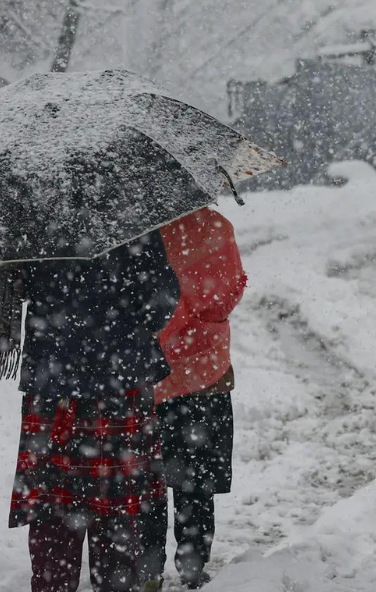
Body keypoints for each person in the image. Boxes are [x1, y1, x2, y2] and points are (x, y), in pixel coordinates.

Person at [0, 232, 179, 592]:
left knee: (54, 508)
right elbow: (161, 301)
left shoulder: (34, 219)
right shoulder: (130, 220)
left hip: (53, 385)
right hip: (119, 385)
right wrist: (118, 321)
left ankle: (54, 583)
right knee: (116, 510)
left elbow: (14, 285)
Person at [139, 207, 247, 591]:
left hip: (148, 372)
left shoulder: (137, 229)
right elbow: (227, 297)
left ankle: (147, 569)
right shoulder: (215, 227)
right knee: (196, 479)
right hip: (204, 371)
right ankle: (192, 567)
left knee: (147, 479)